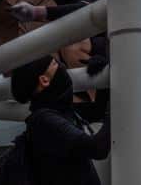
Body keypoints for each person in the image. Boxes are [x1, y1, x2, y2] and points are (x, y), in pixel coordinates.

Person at [10, 0, 108, 101]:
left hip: (109, 63)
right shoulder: (52, 30)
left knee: (70, 42)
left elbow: (82, 10)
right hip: (82, 89)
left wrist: (36, 12)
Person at [10, 55, 110, 185]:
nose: (62, 66)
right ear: (44, 80)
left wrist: (101, 69)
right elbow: (97, 148)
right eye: (56, 64)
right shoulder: (44, 120)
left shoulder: (55, 112)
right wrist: (118, 105)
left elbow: (97, 112)